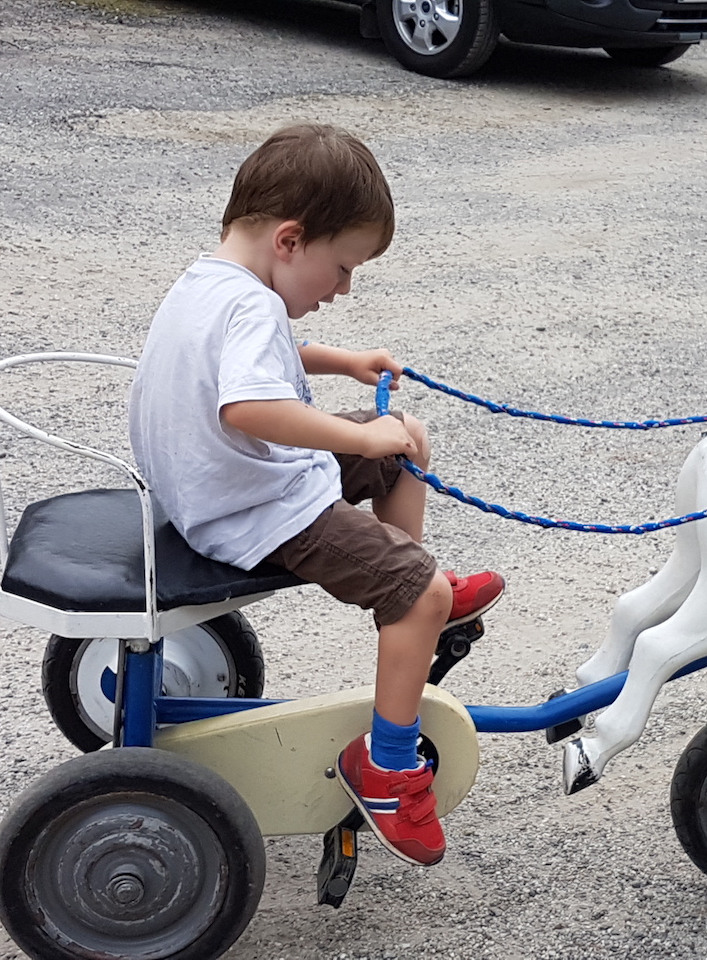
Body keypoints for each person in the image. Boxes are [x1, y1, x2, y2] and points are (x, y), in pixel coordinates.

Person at [128, 123, 503, 867]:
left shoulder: (212, 281)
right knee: (405, 533)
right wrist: (357, 439)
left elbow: (263, 361)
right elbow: (246, 407)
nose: (344, 288)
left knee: (407, 442)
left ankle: (408, 591)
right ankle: (390, 766)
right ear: (292, 242)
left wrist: (344, 362)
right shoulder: (251, 307)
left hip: (224, 485)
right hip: (252, 510)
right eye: (342, 267)